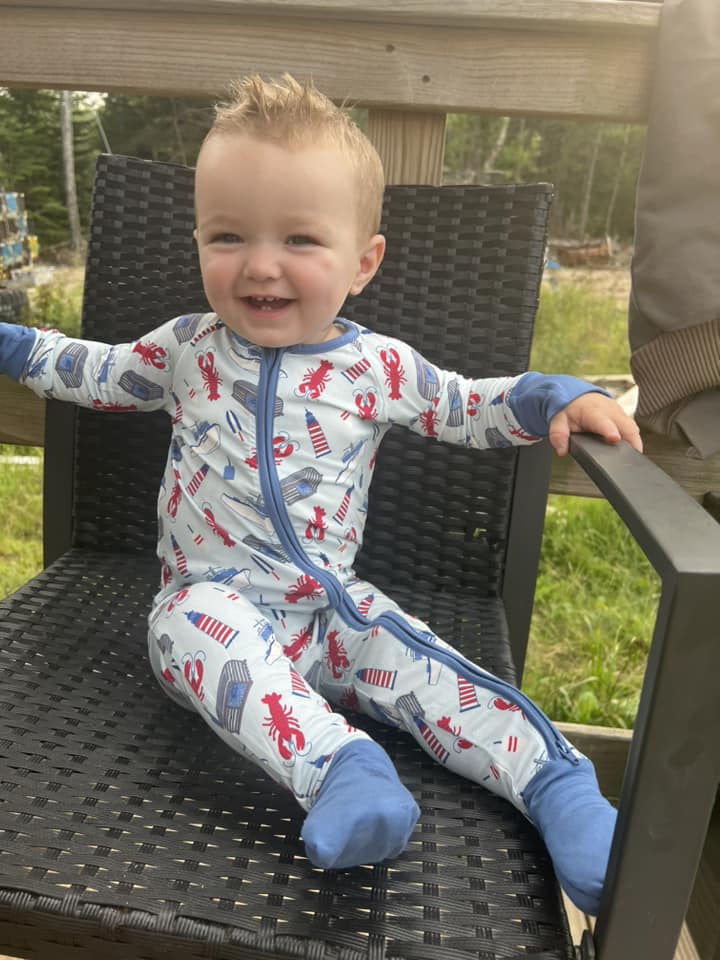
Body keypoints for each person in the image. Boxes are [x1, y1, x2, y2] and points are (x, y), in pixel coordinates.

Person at [0, 74, 642, 915]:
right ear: (198, 242)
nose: (260, 264)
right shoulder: (186, 350)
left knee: (428, 668)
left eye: (300, 238)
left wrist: (551, 396)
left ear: (363, 262)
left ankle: (559, 789)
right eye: (228, 236)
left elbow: (463, 405)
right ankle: (343, 769)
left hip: (330, 609)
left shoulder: (377, 367)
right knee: (183, 627)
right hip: (212, 611)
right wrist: (12, 343)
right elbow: (94, 369)